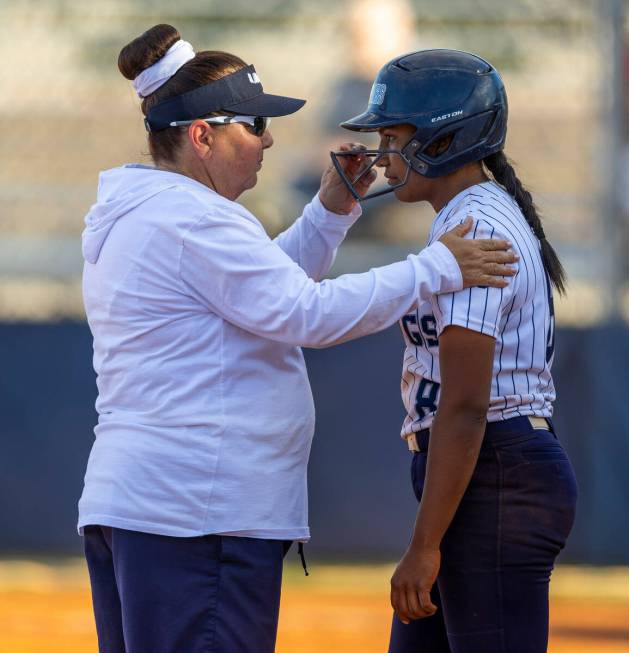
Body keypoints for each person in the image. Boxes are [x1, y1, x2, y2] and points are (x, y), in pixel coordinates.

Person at [78, 26, 517, 653]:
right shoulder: (193, 219)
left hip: (152, 507)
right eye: (254, 124)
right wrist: (436, 268)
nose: (269, 138)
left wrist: (330, 211)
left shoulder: (156, 210)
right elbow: (302, 313)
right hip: (198, 518)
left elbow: (258, 295)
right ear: (202, 134)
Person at [336, 49, 578, 653]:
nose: (384, 154)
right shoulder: (467, 214)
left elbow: (467, 404)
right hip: (483, 470)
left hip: (495, 470)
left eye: (394, 136)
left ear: (444, 139)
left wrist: (424, 546)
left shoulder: (478, 226)